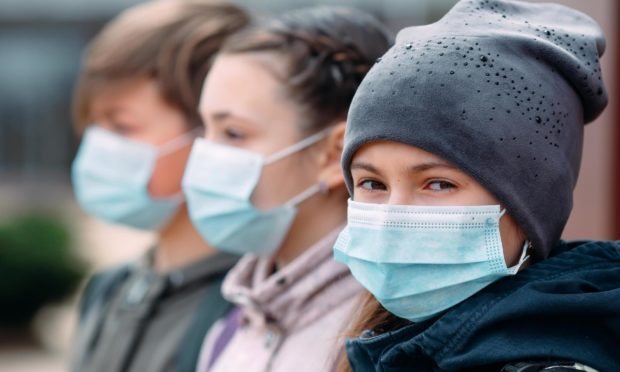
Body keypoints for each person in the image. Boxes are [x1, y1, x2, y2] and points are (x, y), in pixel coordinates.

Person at [333, 0, 620, 371]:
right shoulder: (390, 341)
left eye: (438, 184)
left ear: (528, 206)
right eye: (372, 182)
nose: (392, 217)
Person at [180, 6, 392, 372]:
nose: (205, 155)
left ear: (332, 153)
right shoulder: (233, 323)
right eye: (206, 130)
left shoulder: (379, 343)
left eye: (233, 133)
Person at [69, 2, 249, 371]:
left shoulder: (248, 309)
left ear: (211, 133)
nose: (98, 144)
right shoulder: (107, 291)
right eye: (92, 124)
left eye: (122, 127)